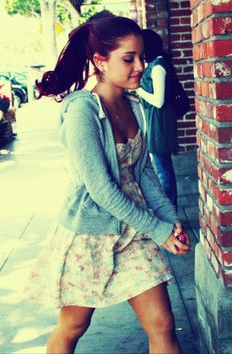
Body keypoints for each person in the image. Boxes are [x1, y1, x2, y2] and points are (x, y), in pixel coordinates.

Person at [25, 15, 190, 354]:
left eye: (141, 57)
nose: (140, 66)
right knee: (73, 326)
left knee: (162, 324)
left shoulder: (133, 104)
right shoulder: (82, 112)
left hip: (134, 230)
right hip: (90, 232)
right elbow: (101, 189)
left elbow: (141, 172)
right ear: (100, 62)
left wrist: (169, 217)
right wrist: (158, 230)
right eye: (128, 58)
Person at [137, 29, 179, 209]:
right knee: (161, 167)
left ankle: (171, 211)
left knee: (163, 170)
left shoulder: (158, 66)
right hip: (155, 120)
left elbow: (159, 101)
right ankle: (169, 209)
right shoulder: (154, 64)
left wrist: (137, 89)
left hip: (159, 122)